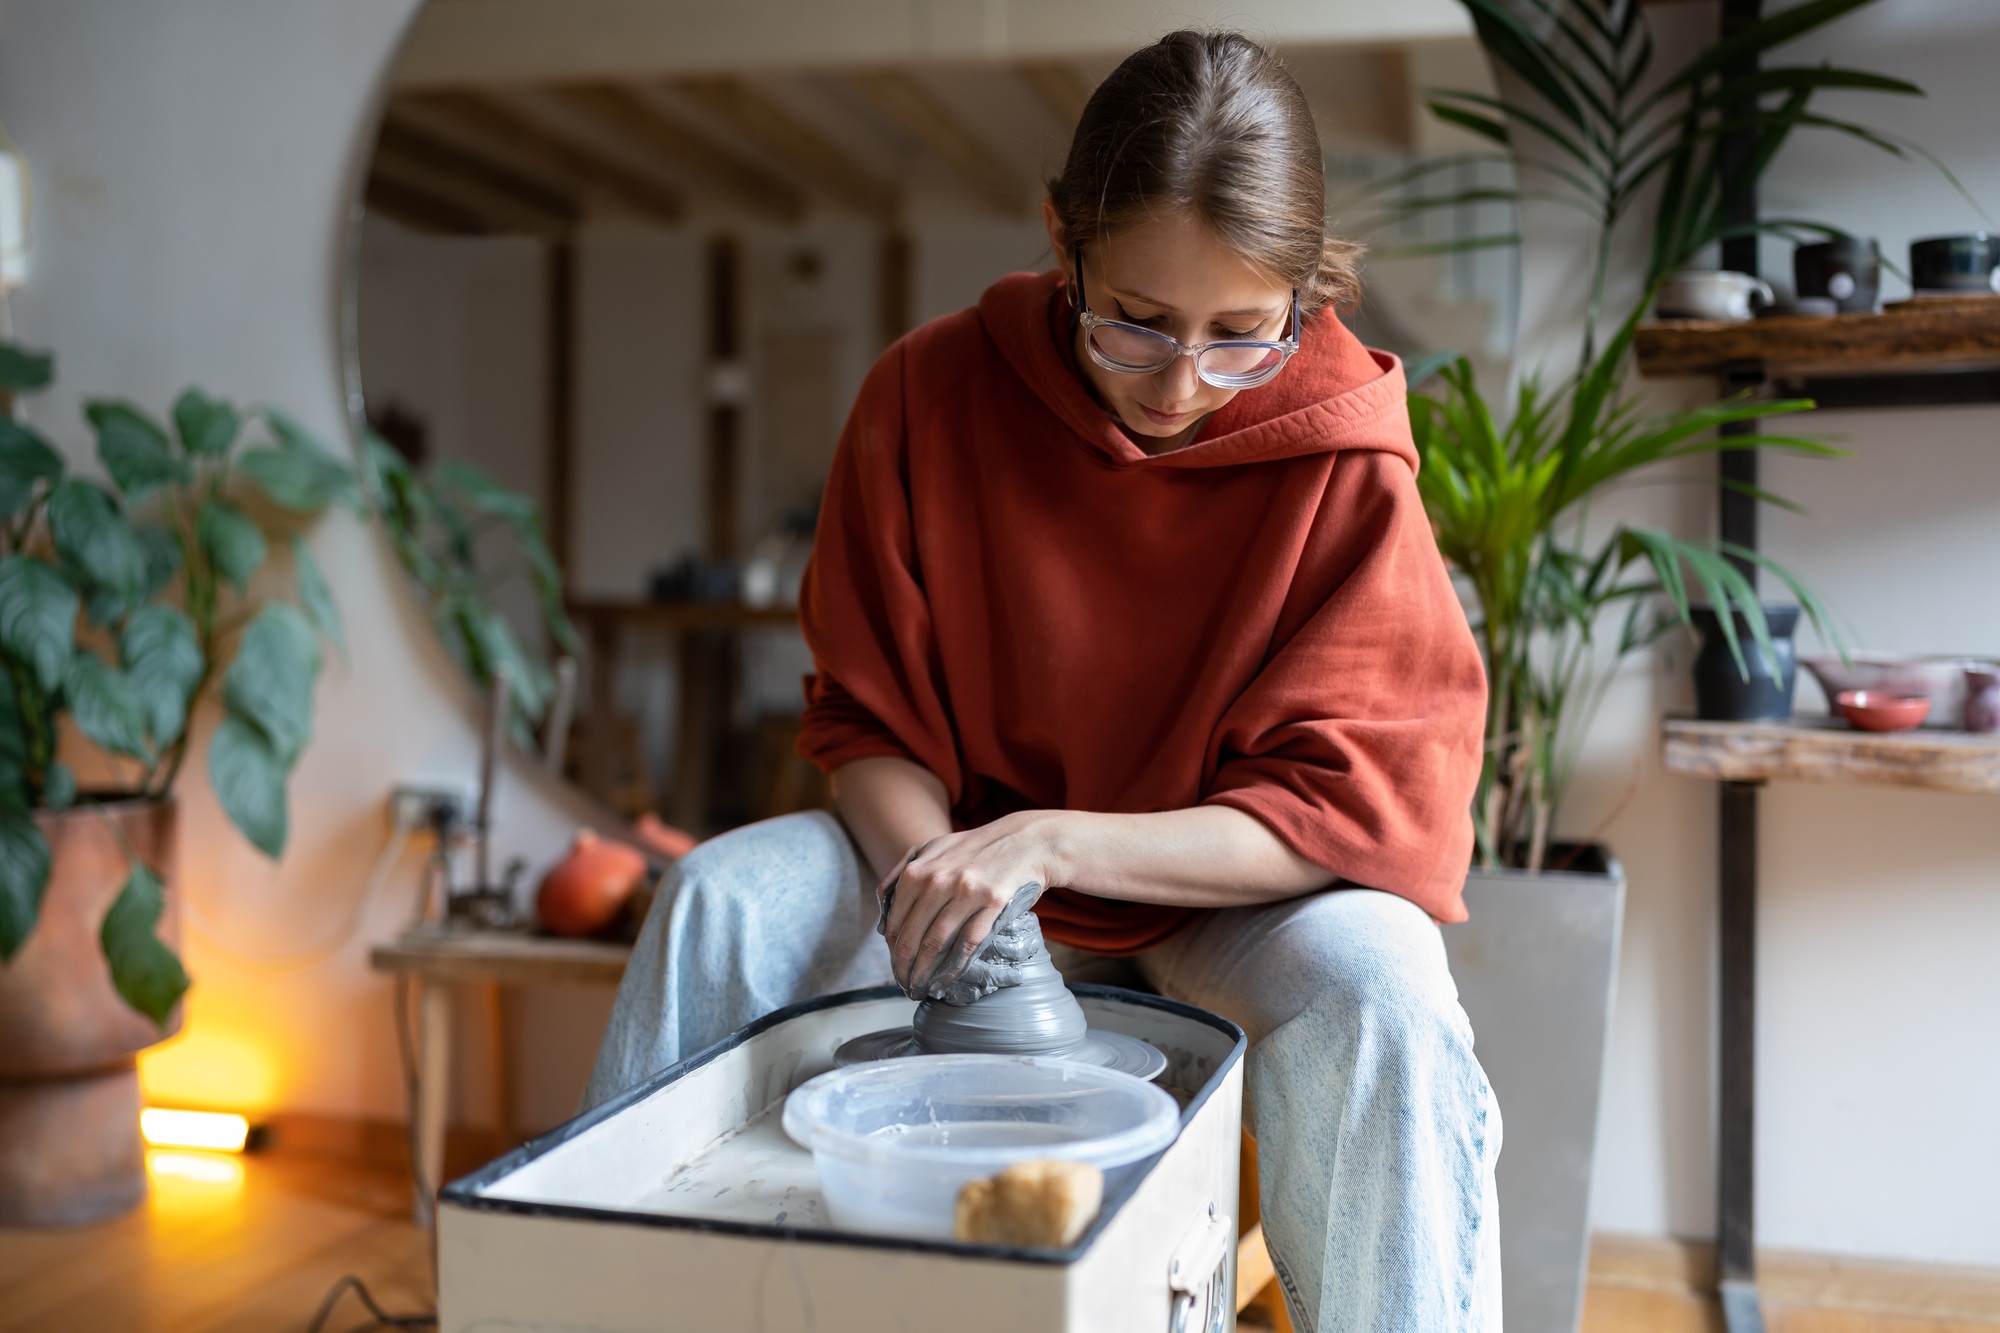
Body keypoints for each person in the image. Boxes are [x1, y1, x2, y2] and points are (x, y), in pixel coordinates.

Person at [586, 30, 1499, 1331]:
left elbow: (1348, 811)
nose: (1181, 385)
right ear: (1062, 241)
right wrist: (939, 873)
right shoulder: (925, 394)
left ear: (1304, 293)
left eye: (1241, 333)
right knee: (717, 898)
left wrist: (1051, 841)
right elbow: (866, 717)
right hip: (958, 861)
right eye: (1135, 321)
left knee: (1384, 987)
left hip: (1208, 891)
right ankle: (615, 1303)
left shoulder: (1341, 454)